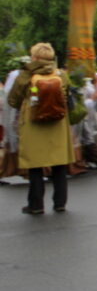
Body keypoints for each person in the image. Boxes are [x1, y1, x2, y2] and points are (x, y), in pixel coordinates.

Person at [6, 43, 75, 215]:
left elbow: (13, 101)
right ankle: (60, 203)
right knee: (59, 164)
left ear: (34, 57)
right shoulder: (61, 75)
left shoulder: (26, 75)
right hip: (58, 123)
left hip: (34, 122)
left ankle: (36, 205)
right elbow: (67, 97)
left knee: (35, 165)